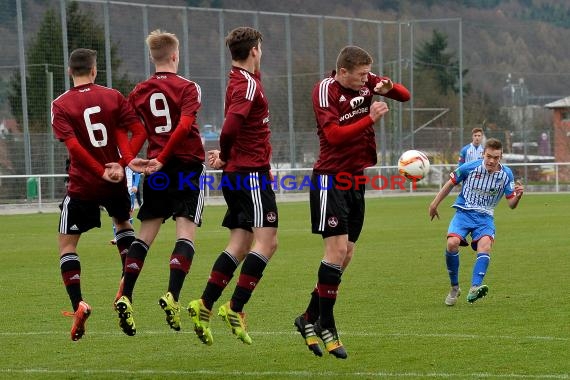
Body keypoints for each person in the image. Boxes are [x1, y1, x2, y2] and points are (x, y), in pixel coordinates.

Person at [294, 45, 410, 359]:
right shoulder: (324, 91)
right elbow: (332, 136)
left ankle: (307, 317)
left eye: (367, 75)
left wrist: (389, 88)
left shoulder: (367, 81)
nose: (365, 81)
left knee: (347, 254)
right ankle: (326, 324)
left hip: (355, 178)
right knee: (336, 252)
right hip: (329, 178)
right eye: (360, 75)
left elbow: (404, 95)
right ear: (342, 71)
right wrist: (369, 118)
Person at [187, 26, 278, 346]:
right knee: (267, 243)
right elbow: (229, 128)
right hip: (250, 175)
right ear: (255, 49)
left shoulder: (244, 80)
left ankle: (204, 304)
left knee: (240, 244)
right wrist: (226, 154)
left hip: (242, 172)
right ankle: (235, 308)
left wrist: (229, 156)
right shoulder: (246, 86)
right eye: (260, 48)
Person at [113, 29, 205, 336]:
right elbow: (184, 126)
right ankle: (172, 296)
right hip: (184, 165)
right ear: (176, 55)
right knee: (186, 234)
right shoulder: (189, 88)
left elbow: (123, 127)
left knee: (144, 237)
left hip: (153, 168)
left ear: (153, 58)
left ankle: (126, 294)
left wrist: (130, 158)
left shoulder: (139, 91)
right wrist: (165, 157)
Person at [51, 48, 147, 341]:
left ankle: (78, 303)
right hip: (114, 179)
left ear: (70, 72)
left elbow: (74, 147)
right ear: (94, 71)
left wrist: (97, 170)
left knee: (68, 246)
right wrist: (120, 164)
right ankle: (125, 284)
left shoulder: (61, 104)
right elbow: (138, 131)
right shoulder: (113, 96)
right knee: (123, 225)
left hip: (83, 183)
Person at [429, 138, 524, 307]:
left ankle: (475, 287)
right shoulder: (469, 167)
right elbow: (450, 183)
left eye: (496, 157)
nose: (492, 161)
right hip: (464, 213)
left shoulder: (506, 174)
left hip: (485, 217)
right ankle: (454, 287)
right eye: (489, 156)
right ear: (483, 154)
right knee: (452, 243)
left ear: (501, 156)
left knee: (485, 246)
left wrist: (518, 196)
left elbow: (511, 204)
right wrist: (434, 204)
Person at [110, 166, 141, 245]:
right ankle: (117, 237)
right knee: (115, 214)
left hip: (130, 191)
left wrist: (135, 185)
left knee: (129, 214)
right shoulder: (116, 159)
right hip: (117, 190)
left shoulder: (130, 160)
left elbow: (137, 173)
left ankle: (130, 236)